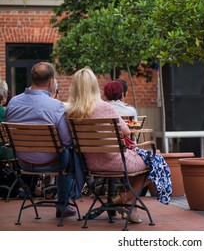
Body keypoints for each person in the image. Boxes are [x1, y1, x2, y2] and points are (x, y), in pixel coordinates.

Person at [66, 67, 171, 223]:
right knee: (156, 160)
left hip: (90, 164)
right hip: (117, 162)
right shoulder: (105, 107)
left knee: (151, 161)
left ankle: (128, 203)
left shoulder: (70, 112)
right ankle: (124, 198)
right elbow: (127, 131)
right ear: (95, 86)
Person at [4, 62, 76, 217]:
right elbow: (67, 141)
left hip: (22, 162)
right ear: (51, 82)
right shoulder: (56, 106)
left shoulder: (13, 103)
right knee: (71, 152)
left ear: (32, 79)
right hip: (51, 163)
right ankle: (63, 203)